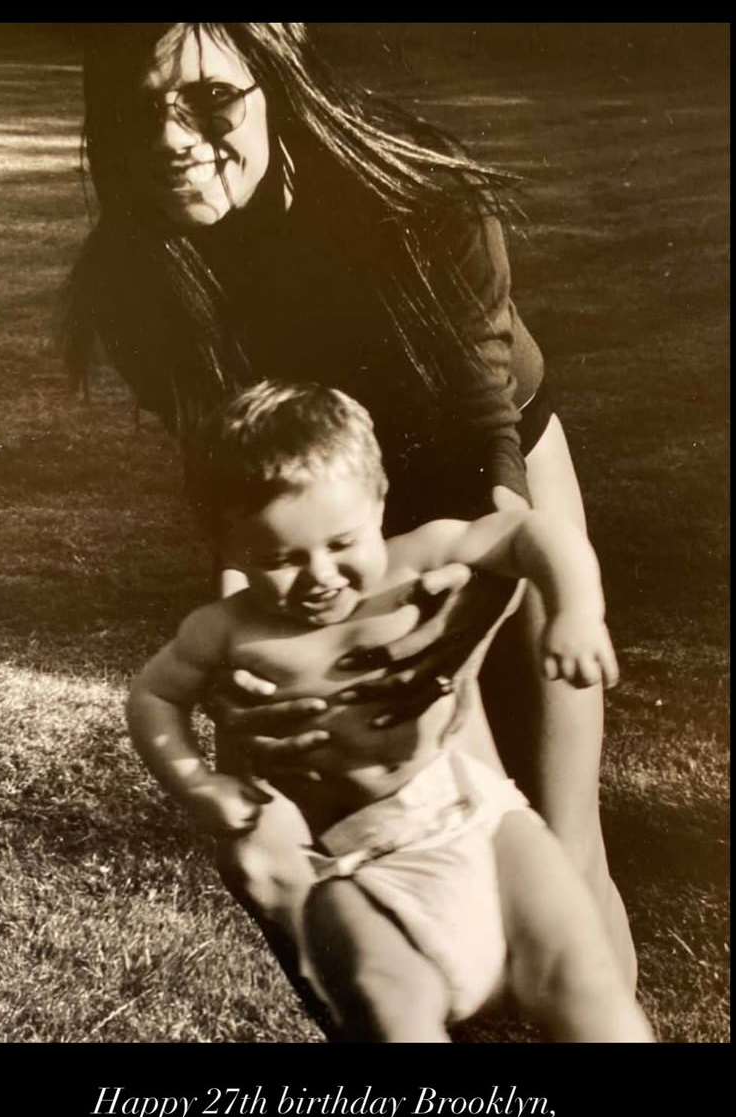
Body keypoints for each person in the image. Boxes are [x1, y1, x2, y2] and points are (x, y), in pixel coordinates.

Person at [62, 22, 635, 983]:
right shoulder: (133, 279)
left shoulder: (417, 197)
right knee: (311, 862)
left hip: (486, 492)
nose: (169, 139)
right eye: (137, 110)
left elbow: (483, 447)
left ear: (276, 79)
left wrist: (446, 648)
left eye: (210, 98)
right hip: (315, 519)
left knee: (549, 843)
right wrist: (252, 667)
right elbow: (232, 487)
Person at [126, 381, 652, 1042]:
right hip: (358, 862)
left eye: (342, 543)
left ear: (378, 500)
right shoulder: (226, 631)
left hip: (478, 817)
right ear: (227, 545)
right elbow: (153, 697)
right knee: (390, 1006)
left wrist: (576, 611)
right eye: (280, 560)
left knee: (580, 978)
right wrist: (197, 783)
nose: (320, 576)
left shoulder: (415, 561)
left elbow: (529, 531)